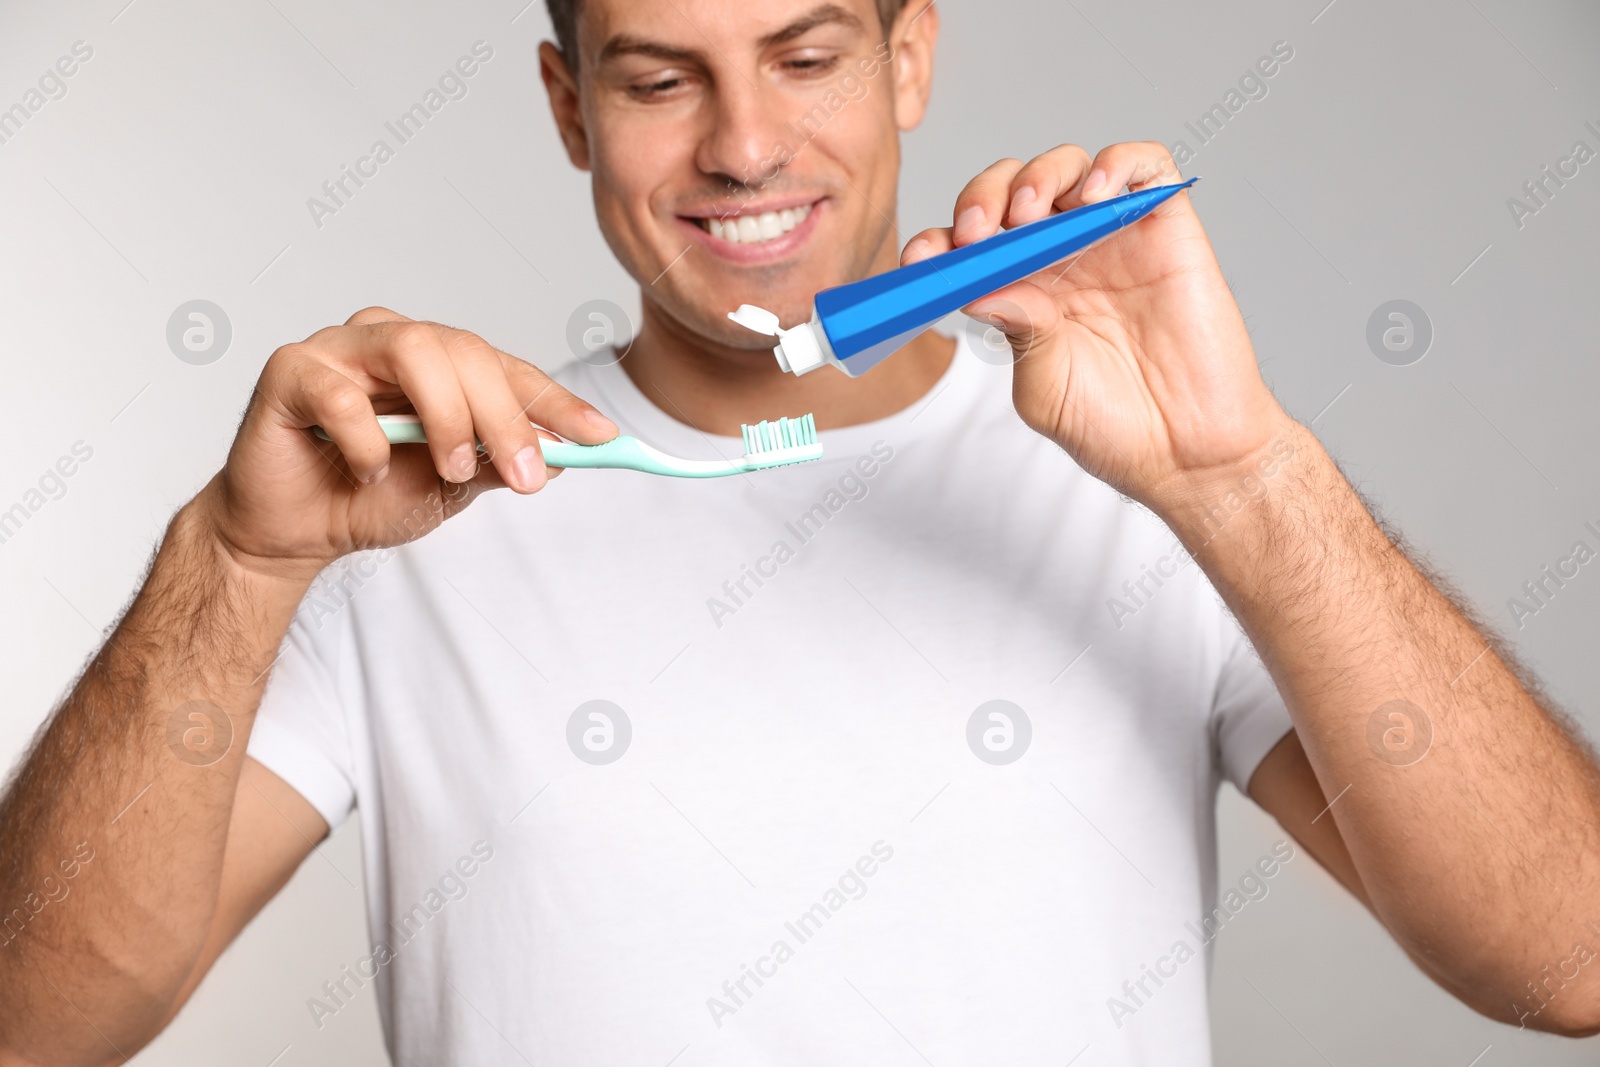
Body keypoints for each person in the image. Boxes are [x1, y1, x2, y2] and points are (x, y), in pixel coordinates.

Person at [3, 0, 1598, 1063]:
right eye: (658, 77)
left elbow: (1567, 960)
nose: (746, 146)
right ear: (568, 104)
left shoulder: (1156, 491)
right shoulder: (400, 510)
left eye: (807, 55)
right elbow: (30, 1023)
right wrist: (235, 559)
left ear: (911, 56)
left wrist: (1246, 480)